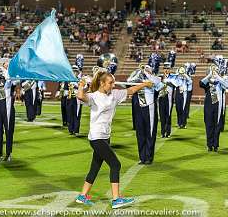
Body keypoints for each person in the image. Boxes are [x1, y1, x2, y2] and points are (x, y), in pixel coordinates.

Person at [75, 69, 153, 208]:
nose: (112, 85)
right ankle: (116, 199)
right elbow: (81, 96)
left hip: (105, 137)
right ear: (102, 83)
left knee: (95, 167)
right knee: (115, 164)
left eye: (113, 83)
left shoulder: (114, 95)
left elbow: (131, 90)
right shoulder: (93, 96)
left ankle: (82, 195)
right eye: (110, 83)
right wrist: (81, 85)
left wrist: (145, 84)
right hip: (96, 138)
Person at [127, 65, 163, 165]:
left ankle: (149, 157)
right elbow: (128, 82)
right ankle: (142, 157)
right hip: (139, 108)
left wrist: (147, 75)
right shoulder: (137, 78)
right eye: (144, 69)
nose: (145, 70)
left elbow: (159, 85)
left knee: (150, 132)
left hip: (149, 107)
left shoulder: (155, 78)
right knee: (140, 132)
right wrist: (139, 73)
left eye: (147, 69)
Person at [200, 64, 228, 152]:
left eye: (215, 70)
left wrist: (218, 77)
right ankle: (209, 145)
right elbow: (201, 83)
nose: (214, 72)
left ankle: (215, 145)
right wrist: (209, 75)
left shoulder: (220, 81)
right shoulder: (208, 81)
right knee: (209, 125)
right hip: (208, 105)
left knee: (217, 125)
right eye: (213, 70)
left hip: (218, 105)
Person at [158, 62, 175, 138]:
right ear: (163, 69)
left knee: (168, 115)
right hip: (161, 97)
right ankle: (162, 132)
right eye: (165, 68)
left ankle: (168, 132)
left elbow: (175, 84)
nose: (166, 70)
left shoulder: (173, 77)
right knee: (162, 115)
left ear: (170, 70)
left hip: (169, 98)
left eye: (168, 68)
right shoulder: (160, 77)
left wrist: (167, 81)